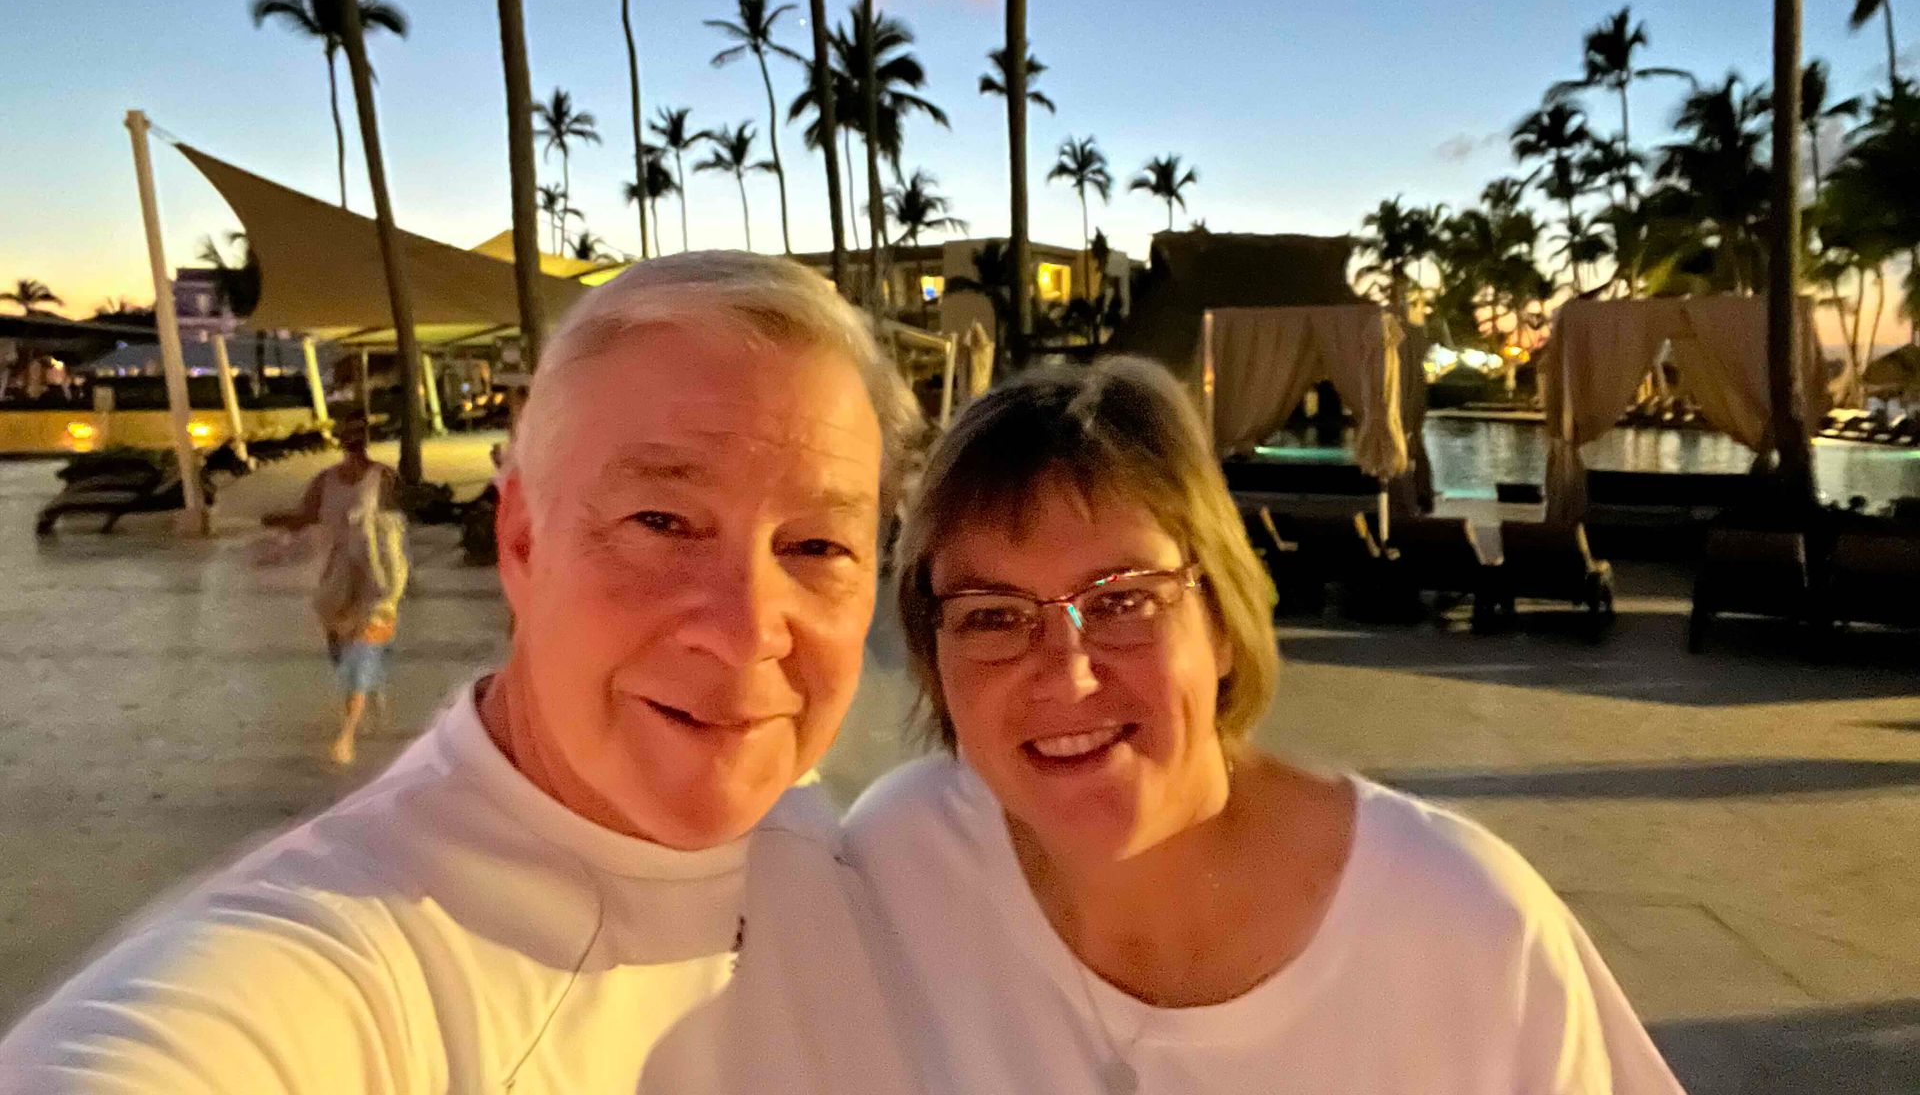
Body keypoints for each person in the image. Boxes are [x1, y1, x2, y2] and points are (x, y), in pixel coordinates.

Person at [0, 251, 921, 1094]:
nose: (747, 628)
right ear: (520, 540)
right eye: (661, 523)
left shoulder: (875, 860)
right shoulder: (348, 967)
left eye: (815, 544)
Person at [839, 357, 1683, 1093]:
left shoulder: (1468, 932)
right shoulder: (900, 861)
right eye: (993, 616)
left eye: (1124, 600)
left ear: (1220, 623)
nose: (1067, 671)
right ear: (934, 656)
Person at [263, 417, 405, 763]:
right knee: (340, 650)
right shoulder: (325, 480)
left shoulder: (382, 476)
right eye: (348, 437)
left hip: (375, 576)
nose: (353, 443)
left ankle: (347, 736)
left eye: (359, 437)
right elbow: (305, 515)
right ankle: (369, 691)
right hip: (339, 574)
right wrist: (275, 521)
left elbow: (397, 522)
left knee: (362, 650)